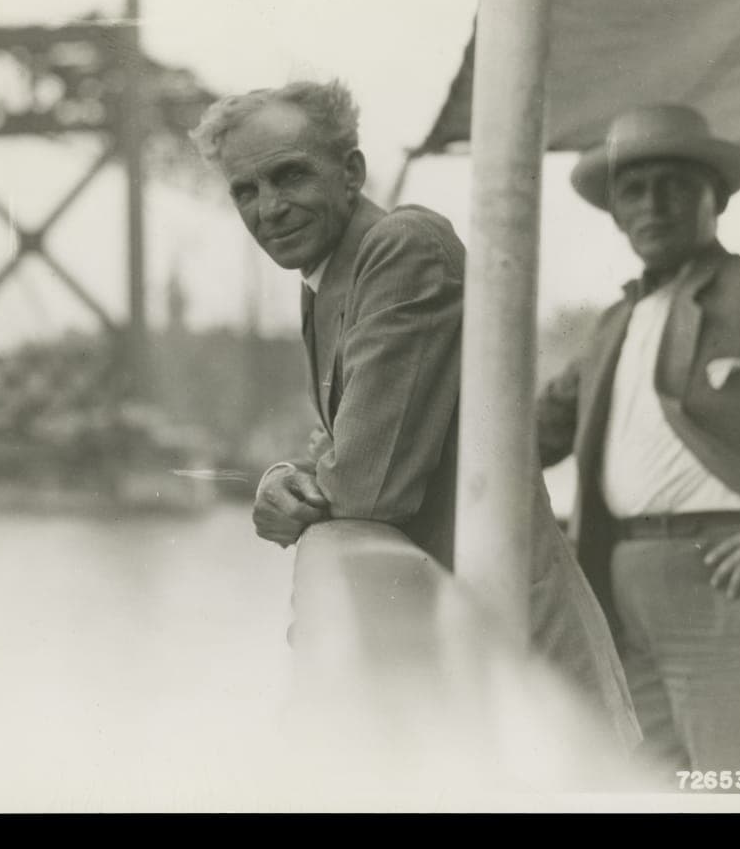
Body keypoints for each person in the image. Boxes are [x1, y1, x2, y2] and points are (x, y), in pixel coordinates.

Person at [190, 80, 638, 745]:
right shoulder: (328, 278)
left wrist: (302, 487)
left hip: (526, 666)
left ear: (352, 172)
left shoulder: (402, 247)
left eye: (290, 176)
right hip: (471, 657)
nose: (270, 208)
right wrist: (288, 474)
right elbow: (349, 444)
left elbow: (368, 488)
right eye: (245, 192)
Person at [537, 104, 740, 792]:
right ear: (615, 213)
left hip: (735, 590)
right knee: (650, 791)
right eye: (634, 189)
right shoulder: (613, 324)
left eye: (676, 185)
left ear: (715, 197)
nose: (652, 204)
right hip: (622, 598)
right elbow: (528, 435)